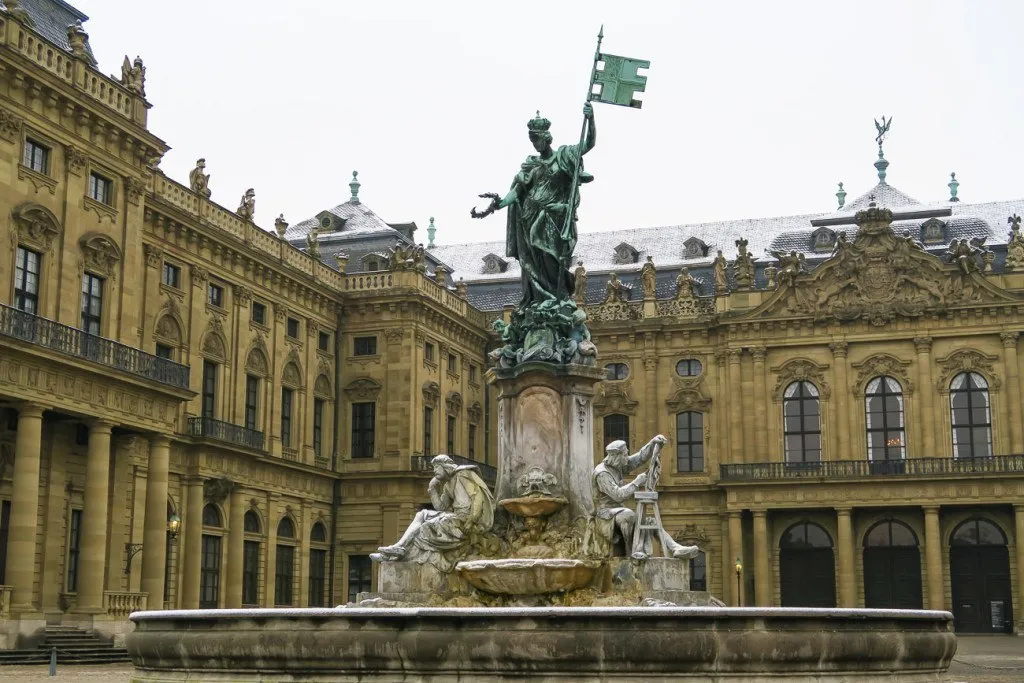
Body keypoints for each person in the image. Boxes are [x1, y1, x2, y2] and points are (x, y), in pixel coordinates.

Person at [371, 455, 494, 571]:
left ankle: (395, 555)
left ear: (445, 466)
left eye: (436, 467)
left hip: (467, 521)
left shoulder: (462, 474)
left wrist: (471, 520)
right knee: (422, 514)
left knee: (427, 526)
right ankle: (399, 547)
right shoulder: (448, 484)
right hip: (457, 517)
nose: (434, 471)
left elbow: (477, 498)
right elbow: (441, 507)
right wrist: (432, 489)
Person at [587, 436, 699, 560]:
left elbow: (639, 458)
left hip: (616, 511)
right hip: (604, 515)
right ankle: (634, 551)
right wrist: (637, 482)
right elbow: (618, 496)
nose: (627, 458)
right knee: (629, 515)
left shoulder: (617, 466)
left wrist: (653, 444)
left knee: (649, 521)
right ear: (616, 457)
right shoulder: (602, 473)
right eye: (625, 455)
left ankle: (674, 548)